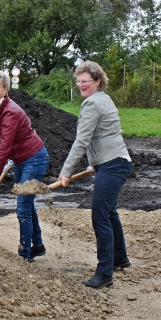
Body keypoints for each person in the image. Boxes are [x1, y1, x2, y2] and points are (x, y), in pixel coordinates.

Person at [59, 61, 132, 289]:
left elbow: (82, 140)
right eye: (78, 81)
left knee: (99, 216)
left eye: (85, 81)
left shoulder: (92, 104)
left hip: (112, 165)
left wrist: (65, 172)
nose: (81, 85)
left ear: (97, 81)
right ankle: (119, 258)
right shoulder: (103, 98)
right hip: (115, 162)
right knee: (109, 212)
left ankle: (104, 273)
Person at [0, 70, 49, 262]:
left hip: (34, 159)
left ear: (6, 89)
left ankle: (24, 255)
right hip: (22, 159)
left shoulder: (10, 112)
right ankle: (37, 245)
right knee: (27, 206)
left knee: (22, 208)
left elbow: (4, 147)